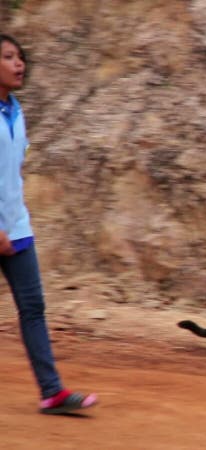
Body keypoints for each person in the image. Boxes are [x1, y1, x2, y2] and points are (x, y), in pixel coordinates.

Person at [0, 34, 98, 415]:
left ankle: (52, 392)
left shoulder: (16, 110)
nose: (19, 63)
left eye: (21, 57)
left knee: (33, 307)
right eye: (9, 57)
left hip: (17, 228)